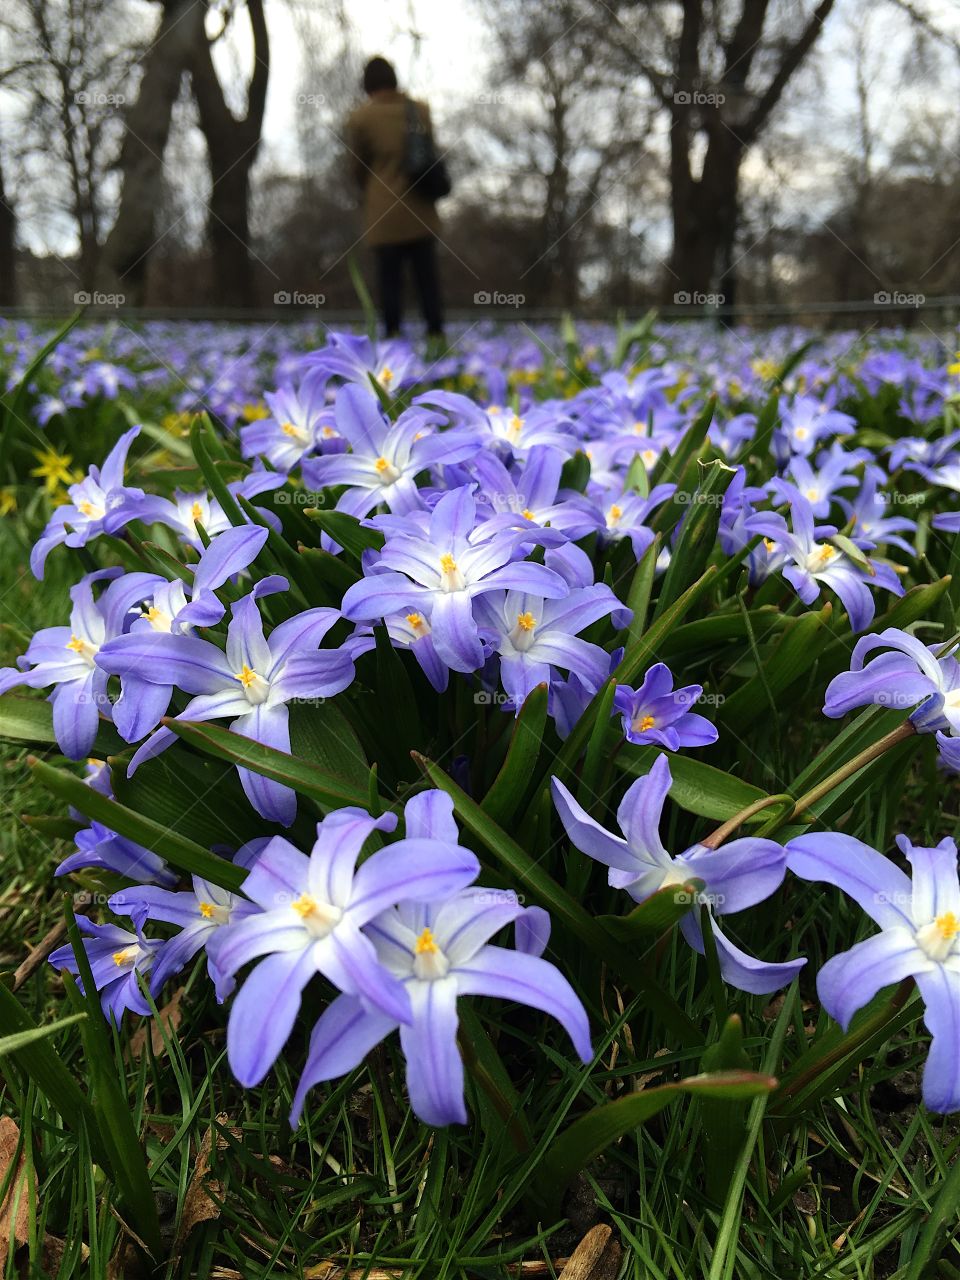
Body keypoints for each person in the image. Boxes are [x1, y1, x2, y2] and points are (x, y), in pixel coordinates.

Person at [345, 56, 446, 341]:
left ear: (368, 86)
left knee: (389, 281)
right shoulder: (420, 111)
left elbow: (357, 167)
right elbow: (428, 153)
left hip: (383, 210)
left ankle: (392, 336)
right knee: (427, 279)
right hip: (421, 209)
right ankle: (436, 334)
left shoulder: (360, 119)